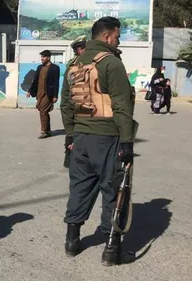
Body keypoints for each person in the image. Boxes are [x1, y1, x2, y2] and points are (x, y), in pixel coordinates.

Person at [60, 17, 136, 266]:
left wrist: (71, 135)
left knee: (80, 187)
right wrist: (127, 141)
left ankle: (72, 241)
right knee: (114, 189)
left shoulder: (74, 65)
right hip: (108, 137)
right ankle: (111, 250)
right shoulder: (111, 63)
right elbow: (122, 105)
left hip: (81, 138)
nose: (119, 40)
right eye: (117, 36)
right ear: (106, 37)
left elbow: (66, 105)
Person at [61, 35, 87, 168]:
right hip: (75, 112)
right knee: (72, 138)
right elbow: (67, 98)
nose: (83, 51)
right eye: (80, 49)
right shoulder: (73, 67)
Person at [27, 50, 60, 139]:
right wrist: (30, 91)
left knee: (43, 111)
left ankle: (44, 131)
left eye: (44, 57)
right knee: (41, 109)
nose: (42, 59)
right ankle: (48, 130)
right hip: (39, 93)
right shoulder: (39, 67)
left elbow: (56, 82)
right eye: (41, 57)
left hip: (48, 93)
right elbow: (35, 80)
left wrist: (55, 95)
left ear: (48, 57)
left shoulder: (55, 68)